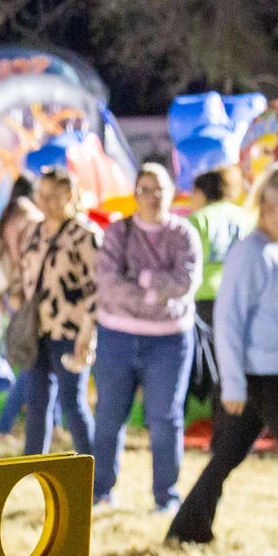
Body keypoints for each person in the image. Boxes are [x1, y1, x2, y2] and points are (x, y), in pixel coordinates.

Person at [166, 162, 278, 556]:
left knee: (227, 454)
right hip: (257, 375)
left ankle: (187, 529)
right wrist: (233, 384)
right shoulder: (249, 253)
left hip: (276, 370)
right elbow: (229, 322)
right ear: (266, 205)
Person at [91, 163, 201, 512]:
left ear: (171, 193)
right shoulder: (117, 232)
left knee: (165, 419)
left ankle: (165, 497)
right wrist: (158, 289)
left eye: (159, 190)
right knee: (109, 416)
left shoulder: (183, 234)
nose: (152, 197)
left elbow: (184, 282)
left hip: (168, 340)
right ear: (135, 193)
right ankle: (100, 492)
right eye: (145, 190)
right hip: (116, 336)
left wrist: (139, 280)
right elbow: (107, 284)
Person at [10, 167, 100, 456]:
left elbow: (97, 288)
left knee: (73, 402)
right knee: (36, 403)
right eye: (41, 195)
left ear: (69, 195)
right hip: (38, 329)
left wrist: (88, 332)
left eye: (53, 196)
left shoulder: (84, 234)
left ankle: (93, 472)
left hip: (70, 330)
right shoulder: (35, 230)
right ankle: (33, 467)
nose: (45, 202)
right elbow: (24, 271)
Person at [0, 173, 42, 435]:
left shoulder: (6, 215)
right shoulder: (28, 215)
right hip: (25, 296)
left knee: (35, 362)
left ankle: (51, 422)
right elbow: (26, 257)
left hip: (10, 294)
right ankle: (5, 422)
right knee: (31, 362)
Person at [189, 167, 250, 330]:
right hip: (239, 294)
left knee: (209, 352)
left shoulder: (198, 219)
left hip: (205, 295)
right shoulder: (244, 217)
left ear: (201, 192)